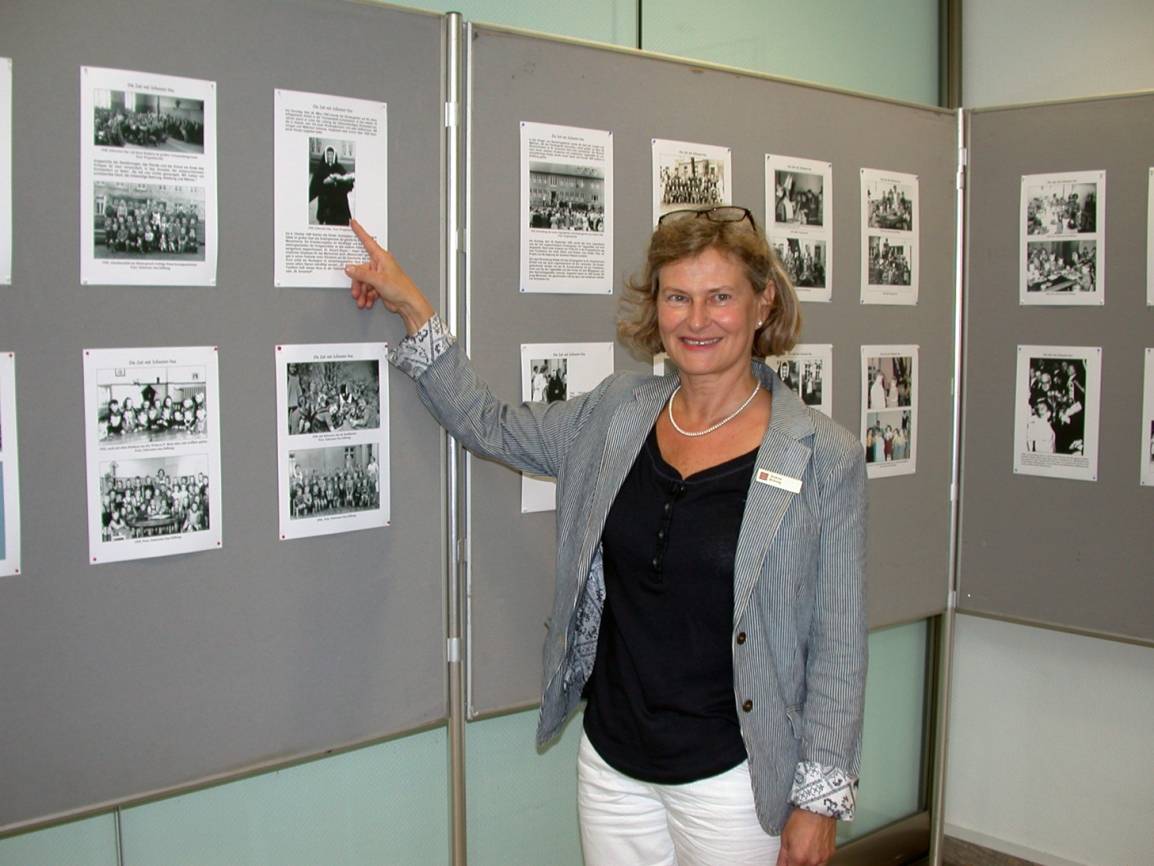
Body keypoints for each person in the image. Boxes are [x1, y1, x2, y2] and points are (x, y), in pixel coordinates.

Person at [345, 206, 866, 866]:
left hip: (733, 782)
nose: (697, 320)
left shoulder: (822, 455)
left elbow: (839, 649)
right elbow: (492, 427)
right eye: (677, 297)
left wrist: (818, 805)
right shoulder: (617, 412)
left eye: (720, 297)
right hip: (613, 767)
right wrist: (414, 307)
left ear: (763, 304)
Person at [310, 145, 355, 226]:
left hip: (339, 202)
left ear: (334, 156)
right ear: (325, 156)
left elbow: (347, 183)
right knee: (328, 221)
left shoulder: (339, 167)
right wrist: (324, 183)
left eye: (331, 154)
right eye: (328, 155)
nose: (330, 156)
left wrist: (338, 182)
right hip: (327, 202)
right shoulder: (320, 168)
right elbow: (315, 185)